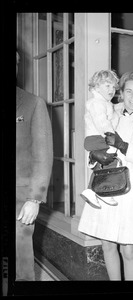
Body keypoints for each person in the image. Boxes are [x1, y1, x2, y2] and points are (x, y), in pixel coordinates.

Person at [78, 71, 133, 280]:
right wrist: (94, 156)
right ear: (120, 93)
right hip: (107, 188)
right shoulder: (109, 113)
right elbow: (93, 138)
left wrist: (123, 146)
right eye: (128, 91)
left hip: (131, 193)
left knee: (129, 249)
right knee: (107, 245)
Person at [16, 51, 53, 281]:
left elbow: (43, 155)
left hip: (20, 200)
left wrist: (35, 199)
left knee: (20, 263)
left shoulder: (32, 104)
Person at [80, 70, 124, 208]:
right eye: (107, 86)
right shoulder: (96, 103)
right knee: (111, 160)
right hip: (97, 137)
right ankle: (98, 189)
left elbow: (112, 115)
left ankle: (92, 189)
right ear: (96, 87)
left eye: (113, 86)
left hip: (98, 137)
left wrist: (121, 107)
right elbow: (102, 121)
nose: (111, 90)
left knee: (104, 164)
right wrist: (110, 135)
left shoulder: (104, 103)